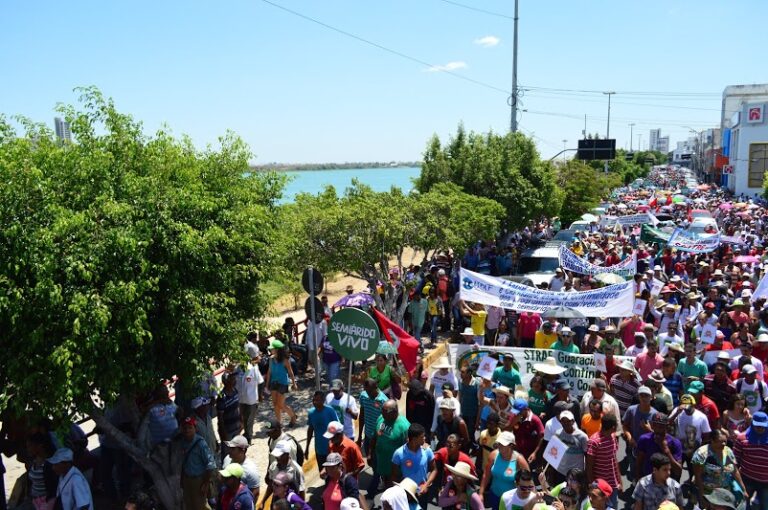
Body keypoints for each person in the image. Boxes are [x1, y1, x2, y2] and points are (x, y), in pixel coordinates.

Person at [691, 429, 747, 506]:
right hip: (708, 493)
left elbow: (735, 471)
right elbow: (698, 476)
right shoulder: (701, 454)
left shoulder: (728, 451)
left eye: (725, 441)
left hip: (725, 493)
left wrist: (743, 489)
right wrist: (701, 496)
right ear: (712, 441)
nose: (723, 444)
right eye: (720, 441)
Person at [478, 431, 529, 510]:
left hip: (511, 500)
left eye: (502, 444)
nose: (499, 446)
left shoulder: (519, 460)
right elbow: (486, 475)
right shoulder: (493, 455)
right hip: (494, 496)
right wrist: (481, 493)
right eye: (499, 443)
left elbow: (529, 482)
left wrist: (532, 501)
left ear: (511, 445)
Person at [392, 424, 435, 510]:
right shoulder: (399, 453)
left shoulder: (427, 451)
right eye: (422, 437)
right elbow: (394, 476)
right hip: (405, 494)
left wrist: (426, 485)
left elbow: (434, 470)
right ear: (414, 439)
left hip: (422, 493)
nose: (425, 438)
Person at [371, 400, 410, 490]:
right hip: (381, 463)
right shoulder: (381, 418)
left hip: (395, 469)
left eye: (385, 412)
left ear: (394, 411)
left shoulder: (404, 426)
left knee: (392, 491)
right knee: (385, 485)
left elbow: (408, 450)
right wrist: (370, 453)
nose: (382, 414)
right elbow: (375, 436)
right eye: (382, 410)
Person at [732, 411, 768, 508]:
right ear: (752, 423)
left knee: (765, 506)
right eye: (757, 425)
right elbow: (735, 460)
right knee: (743, 506)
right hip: (747, 480)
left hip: (766, 482)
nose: (760, 428)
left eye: (763, 426)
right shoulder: (742, 438)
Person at [179, 417, 216, 510]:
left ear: (195, 428)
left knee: (200, 506)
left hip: (198, 480)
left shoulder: (201, 444)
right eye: (185, 428)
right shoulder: (182, 442)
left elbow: (211, 464)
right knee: (188, 505)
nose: (187, 430)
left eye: (190, 427)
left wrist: (206, 483)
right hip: (187, 479)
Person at [585, 415, 621, 509]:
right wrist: (592, 486)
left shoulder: (613, 437)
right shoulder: (594, 441)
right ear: (613, 427)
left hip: (612, 484)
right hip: (599, 489)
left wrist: (619, 481)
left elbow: (614, 459)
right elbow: (589, 466)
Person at [634, 414, 682, 480]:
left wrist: (666, 450)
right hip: (648, 481)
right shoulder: (644, 439)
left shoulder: (675, 443)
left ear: (666, 426)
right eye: (655, 425)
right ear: (652, 425)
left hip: (667, 482)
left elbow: (678, 471)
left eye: (661, 426)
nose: (657, 428)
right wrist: (638, 479)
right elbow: (639, 463)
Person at [265, 340, 298, 427]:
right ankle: (279, 423)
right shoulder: (271, 359)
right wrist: (267, 384)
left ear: (277, 349)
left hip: (283, 383)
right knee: (275, 404)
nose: (270, 350)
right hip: (273, 382)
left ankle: (293, 416)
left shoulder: (285, 360)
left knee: (280, 404)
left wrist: (294, 383)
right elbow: (269, 372)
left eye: (272, 349)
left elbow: (290, 372)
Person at [551, 411, 588, 486]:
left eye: (568, 421)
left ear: (573, 421)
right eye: (563, 421)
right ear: (560, 422)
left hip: (576, 474)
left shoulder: (582, 437)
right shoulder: (557, 434)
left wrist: (586, 473)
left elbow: (587, 456)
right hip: (561, 472)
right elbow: (553, 454)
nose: (566, 423)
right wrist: (551, 472)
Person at [222, 435, 262, 502]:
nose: (229, 451)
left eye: (233, 449)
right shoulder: (227, 459)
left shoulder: (251, 470)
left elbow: (255, 492)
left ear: (243, 450)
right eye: (229, 448)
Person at [306, 390, 339, 467]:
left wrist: (337, 446)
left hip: (331, 449)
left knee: (332, 472)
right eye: (314, 400)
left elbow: (337, 429)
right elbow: (310, 430)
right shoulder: (311, 413)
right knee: (322, 472)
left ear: (323, 400)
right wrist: (307, 448)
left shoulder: (330, 411)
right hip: (319, 450)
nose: (315, 402)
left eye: (317, 400)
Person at [236, 356, 264, 445]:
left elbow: (260, 382)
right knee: (243, 418)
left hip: (251, 399)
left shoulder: (253, 368)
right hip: (241, 399)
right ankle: (246, 433)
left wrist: (260, 395)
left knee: (249, 419)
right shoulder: (237, 369)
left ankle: (248, 437)